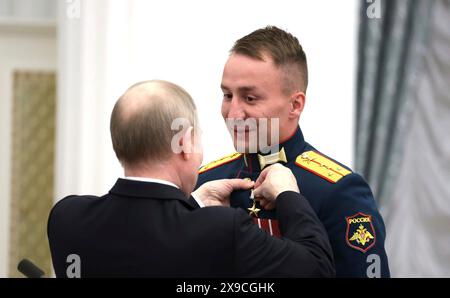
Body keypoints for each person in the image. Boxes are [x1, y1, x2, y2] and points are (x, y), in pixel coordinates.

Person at [47, 80, 334, 278]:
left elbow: (146, 239)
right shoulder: (222, 230)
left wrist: (193, 204)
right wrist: (288, 194)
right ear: (183, 142)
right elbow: (317, 268)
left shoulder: (67, 218)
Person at [196, 26, 390, 278]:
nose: (233, 114)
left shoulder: (337, 191)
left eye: (250, 98)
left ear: (295, 105)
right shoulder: (205, 181)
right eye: (227, 95)